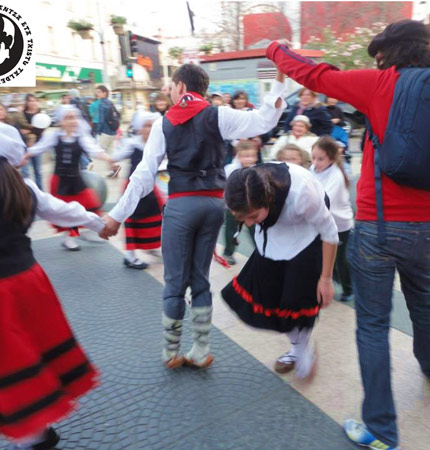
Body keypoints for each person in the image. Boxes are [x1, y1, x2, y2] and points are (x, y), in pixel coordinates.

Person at [266, 20, 430, 450]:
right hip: (427, 226)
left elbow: (315, 75)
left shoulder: (381, 83)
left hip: (377, 226)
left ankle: (381, 431)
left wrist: (276, 49)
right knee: (423, 297)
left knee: (372, 324)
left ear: (388, 54)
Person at [100, 64, 286, 370]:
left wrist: (117, 216)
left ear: (181, 87)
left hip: (182, 204)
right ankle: (201, 350)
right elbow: (265, 120)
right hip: (214, 205)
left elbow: (144, 175)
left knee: (174, 282)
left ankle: (171, 352)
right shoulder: (219, 114)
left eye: (172, 87)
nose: (170, 93)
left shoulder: (164, 123)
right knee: (200, 279)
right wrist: (279, 79)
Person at [0, 120, 101, 450]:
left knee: (9, 359)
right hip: (30, 281)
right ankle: (41, 425)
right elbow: (59, 209)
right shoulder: (21, 183)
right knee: (37, 346)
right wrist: (96, 221)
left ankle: (33, 435)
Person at [220, 162, 338, 379]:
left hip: (306, 235)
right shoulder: (243, 190)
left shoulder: (302, 193)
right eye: (241, 218)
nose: (247, 224)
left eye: (253, 217)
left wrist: (326, 278)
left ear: (267, 200)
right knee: (269, 300)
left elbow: (330, 232)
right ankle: (298, 348)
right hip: (271, 240)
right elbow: (244, 215)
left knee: (297, 300)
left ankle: (301, 351)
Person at [23, 105, 119, 251]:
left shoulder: (80, 137)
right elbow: (38, 148)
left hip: (76, 179)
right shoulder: (54, 137)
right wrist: (24, 157)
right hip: (59, 180)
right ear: (61, 120)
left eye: (74, 117)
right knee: (64, 211)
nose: (73, 121)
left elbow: (95, 150)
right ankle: (69, 239)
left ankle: (87, 230)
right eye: (68, 118)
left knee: (91, 203)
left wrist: (109, 159)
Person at [111, 111, 164, 269]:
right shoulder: (132, 144)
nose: (149, 129)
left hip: (151, 188)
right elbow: (116, 156)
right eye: (146, 125)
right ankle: (130, 257)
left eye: (152, 125)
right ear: (140, 128)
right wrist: (111, 162)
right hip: (133, 187)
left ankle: (152, 246)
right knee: (132, 221)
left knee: (155, 218)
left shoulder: (158, 144)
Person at [310, 136, 354, 302]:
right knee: (322, 257)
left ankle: (349, 288)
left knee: (341, 260)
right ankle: (324, 282)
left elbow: (324, 201)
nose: (315, 162)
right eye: (313, 158)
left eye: (320, 159)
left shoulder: (336, 176)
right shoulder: (314, 169)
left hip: (339, 225)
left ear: (332, 158)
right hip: (321, 223)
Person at [222, 139, 259, 265]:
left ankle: (260, 254)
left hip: (252, 208)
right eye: (245, 156)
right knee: (231, 230)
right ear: (238, 156)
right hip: (233, 206)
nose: (249, 159)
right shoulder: (230, 169)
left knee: (255, 231)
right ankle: (228, 253)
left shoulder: (258, 171)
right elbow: (225, 187)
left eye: (252, 156)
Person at [21, 94, 45, 190]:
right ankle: (27, 192)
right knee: (25, 172)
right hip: (24, 146)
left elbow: (41, 130)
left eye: (34, 100)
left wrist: (28, 130)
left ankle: (40, 191)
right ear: (27, 102)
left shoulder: (40, 114)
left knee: (38, 171)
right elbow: (19, 129)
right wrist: (33, 128)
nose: (32, 102)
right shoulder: (22, 114)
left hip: (38, 146)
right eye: (30, 100)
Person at [94, 85, 118, 156]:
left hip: (105, 132)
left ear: (105, 93)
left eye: (99, 92)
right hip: (113, 132)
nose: (97, 94)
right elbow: (118, 115)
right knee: (111, 153)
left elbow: (101, 120)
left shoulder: (102, 104)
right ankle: (114, 166)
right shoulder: (110, 103)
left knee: (100, 154)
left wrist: (98, 132)